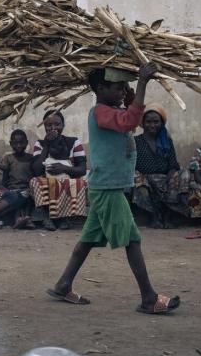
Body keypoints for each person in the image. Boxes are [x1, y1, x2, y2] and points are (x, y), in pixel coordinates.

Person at [47, 63, 180, 315]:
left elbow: (134, 114)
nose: (122, 91)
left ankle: (63, 284)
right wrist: (141, 82)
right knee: (132, 240)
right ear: (100, 88)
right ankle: (148, 297)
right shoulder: (100, 112)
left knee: (87, 240)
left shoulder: (112, 108)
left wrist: (129, 83)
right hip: (107, 188)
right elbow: (130, 119)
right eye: (116, 86)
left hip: (106, 186)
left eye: (123, 86)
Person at [131, 104, 188, 228]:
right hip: (144, 178)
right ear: (143, 123)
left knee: (182, 174)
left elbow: (173, 164)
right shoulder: (136, 141)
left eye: (156, 122)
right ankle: (153, 216)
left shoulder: (167, 141)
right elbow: (132, 164)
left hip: (164, 178)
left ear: (161, 123)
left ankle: (167, 217)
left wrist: (170, 176)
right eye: (149, 122)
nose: (152, 125)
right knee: (135, 176)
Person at [29, 110, 87, 231]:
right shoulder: (40, 144)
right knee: (36, 181)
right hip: (48, 179)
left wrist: (64, 168)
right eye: (48, 125)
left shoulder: (74, 142)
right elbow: (36, 169)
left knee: (76, 183)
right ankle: (48, 216)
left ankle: (63, 217)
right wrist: (47, 145)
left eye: (57, 124)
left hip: (67, 178)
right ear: (44, 127)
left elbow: (82, 170)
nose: (53, 128)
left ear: (63, 125)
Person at [0, 129, 35, 229]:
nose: (18, 145)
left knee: (29, 199)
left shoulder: (31, 158)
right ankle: (17, 219)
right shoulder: (8, 158)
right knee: (16, 199)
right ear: (11, 144)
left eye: (21, 143)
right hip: (13, 188)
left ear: (26, 143)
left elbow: (34, 174)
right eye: (15, 143)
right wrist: (3, 188)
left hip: (27, 188)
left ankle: (27, 219)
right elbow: (4, 176)